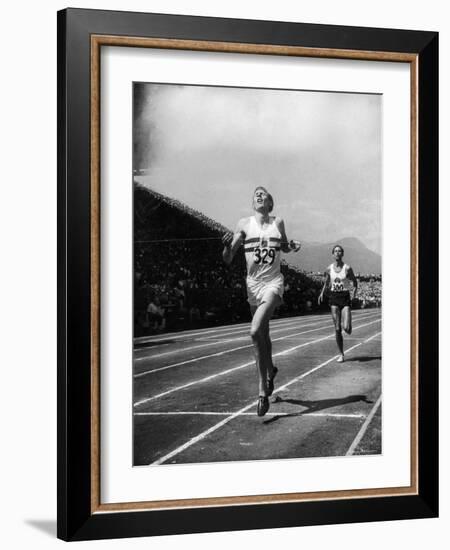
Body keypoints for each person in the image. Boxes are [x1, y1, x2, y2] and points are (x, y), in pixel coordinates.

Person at [222, 186, 301, 416]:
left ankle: (262, 390)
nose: (258, 195)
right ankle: (271, 371)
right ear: (253, 203)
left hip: (273, 283)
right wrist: (227, 246)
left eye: (263, 194)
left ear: (269, 203)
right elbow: (228, 259)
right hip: (252, 285)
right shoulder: (244, 224)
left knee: (255, 331)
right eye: (255, 194)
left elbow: (284, 246)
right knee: (263, 335)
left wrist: (292, 247)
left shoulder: (279, 222)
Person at [318, 245, 358, 362]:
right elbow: (326, 283)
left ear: (342, 254)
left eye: (339, 251)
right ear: (332, 254)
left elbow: (354, 283)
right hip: (334, 297)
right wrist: (321, 294)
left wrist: (354, 295)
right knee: (337, 328)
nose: (337, 253)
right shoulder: (329, 268)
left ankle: (348, 324)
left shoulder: (347, 268)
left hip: (345, 297)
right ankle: (341, 354)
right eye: (335, 251)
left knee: (347, 328)